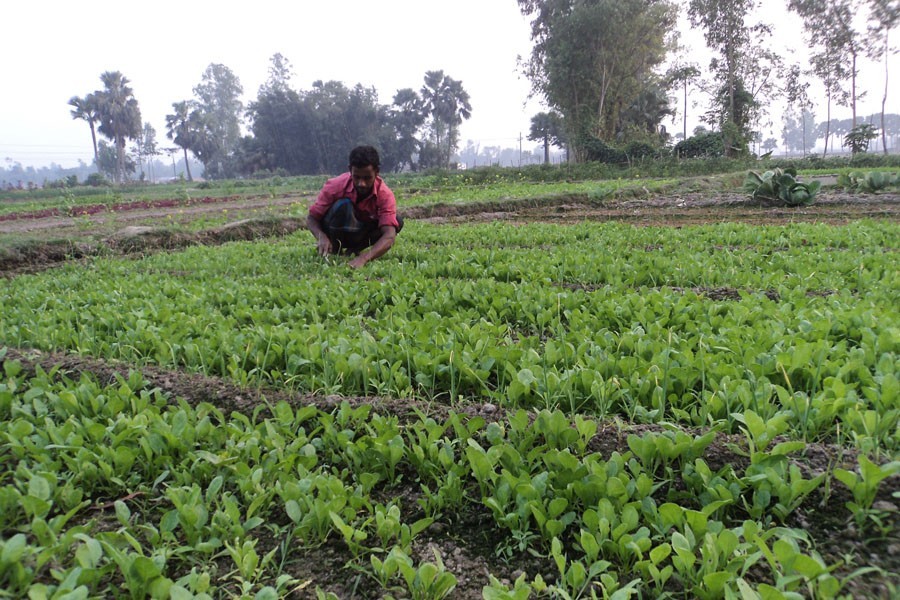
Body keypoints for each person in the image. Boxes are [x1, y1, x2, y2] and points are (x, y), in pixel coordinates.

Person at [307, 145, 403, 269]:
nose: (361, 183)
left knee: (396, 221)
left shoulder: (384, 195)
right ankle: (335, 249)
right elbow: (312, 218)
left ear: (377, 172)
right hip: (335, 231)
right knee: (343, 205)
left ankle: (354, 250)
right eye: (356, 177)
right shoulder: (335, 186)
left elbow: (389, 235)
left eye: (367, 178)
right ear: (350, 170)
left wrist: (364, 258)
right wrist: (322, 237)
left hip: (359, 233)